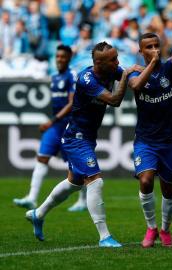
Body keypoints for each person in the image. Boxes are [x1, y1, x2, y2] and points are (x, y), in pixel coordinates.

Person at [25, 41, 138, 247]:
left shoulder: (112, 70)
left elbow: (132, 81)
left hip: (88, 137)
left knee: (74, 183)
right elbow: (114, 100)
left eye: (116, 58)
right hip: (76, 138)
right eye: (113, 59)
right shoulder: (86, 79)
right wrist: (125, 75)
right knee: (95, 180)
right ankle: (104, 236)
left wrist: (146, 71)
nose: (118, 62)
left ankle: (38, 213)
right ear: (98, 63)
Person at [127, 16, 172, 248]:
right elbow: (135, 87)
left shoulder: (171, 70)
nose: (154, 50)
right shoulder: (135, 73)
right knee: (145, 180)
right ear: (141, 51)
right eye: (149, 47)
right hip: (145, 140)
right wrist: (151, 64)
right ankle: (151, 228)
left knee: (169, 189)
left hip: (169, 141)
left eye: (156, 46)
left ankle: (165, 229)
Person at [13, 44, 87, 213]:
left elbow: (72, 103)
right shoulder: (54, 77)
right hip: (56, 126)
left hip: (69, 125)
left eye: (62, 57)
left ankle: (82, 200)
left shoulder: (72, 76)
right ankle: (31, 198)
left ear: (69, 58)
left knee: (76, 164)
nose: (59, 59)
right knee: (42, 157)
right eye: (57, 56)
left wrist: (51, 120)